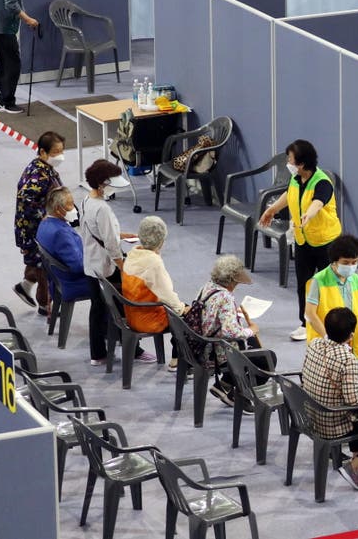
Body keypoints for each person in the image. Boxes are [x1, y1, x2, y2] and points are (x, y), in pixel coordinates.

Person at [259, 139, 341, 341]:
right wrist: (271, 209)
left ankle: (332, 326)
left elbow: (318, 202)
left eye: (290, 159)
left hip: (325, 243)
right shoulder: (296, 179)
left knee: (327, 286)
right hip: (303, 241)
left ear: (302, 163)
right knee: (304, 284)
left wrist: (309, 215)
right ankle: (306, 323)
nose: (288, 161)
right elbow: (289, 195)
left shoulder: (322, 182)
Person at [302, 307, 358, 491]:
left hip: (309, 415)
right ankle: (355, 465)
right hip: (332, 424)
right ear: (351, 334)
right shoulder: (347, 360)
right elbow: (353, 400)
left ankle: (357, 453)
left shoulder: (315, 343)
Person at [80, 158, 154, 366]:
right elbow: (111, 245)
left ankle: (98, 353)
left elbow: (96, 231)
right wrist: (124, 268)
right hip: (107, 267)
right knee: (123, 308)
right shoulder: (102, 209)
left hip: (92, 263)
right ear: (103, 183)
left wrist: (119, 234)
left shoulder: (87, 201)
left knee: (97, 309)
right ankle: (134, 349)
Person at [121, 215, 189, 371]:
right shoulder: (154, 263)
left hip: (132, 313)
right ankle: (178, 360)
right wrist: (183, 309)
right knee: (187, 315)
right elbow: (168, 295)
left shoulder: (133, 253)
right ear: (162, 241)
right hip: (148, 319)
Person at [305, 234, 358, 359]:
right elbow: (310, 314)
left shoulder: (354, 279)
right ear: (335, 260)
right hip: (325, 345)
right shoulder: (319, 281)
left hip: (350, 342)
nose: (350, 266)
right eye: (345, 262)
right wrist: (328, 337)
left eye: (354, 262)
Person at [197, 254, 261, 409]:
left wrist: (232, 313)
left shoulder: (208, 286)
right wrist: (250, 330)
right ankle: (240, 397)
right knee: (264, 359)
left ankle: (224, 384)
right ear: (232, 280)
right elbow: (229, 332)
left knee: (255, 345)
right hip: (215, 350)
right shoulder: (225, 297)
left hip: (201, 340)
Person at [14, 131, 65, 316]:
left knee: (37, 262)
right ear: (43, 152)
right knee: (45, 266)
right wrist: (45, 216)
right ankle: (45, 304)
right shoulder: (38, 175)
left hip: (36, 228)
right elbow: (27, 200)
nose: (60, 156)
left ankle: (25, 286)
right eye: (56, 152)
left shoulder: (45, 168)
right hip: (33, 230)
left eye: (61, 151)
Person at [36, 186, 91, 303]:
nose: (74, 209)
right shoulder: (61, 233)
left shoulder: (44, 224)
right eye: (70, 205)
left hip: (58, 279)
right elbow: (78, 266)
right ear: (57, 209)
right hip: (75, 283)